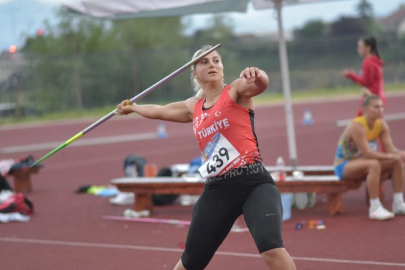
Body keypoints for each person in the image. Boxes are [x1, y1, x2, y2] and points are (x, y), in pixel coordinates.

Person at [116, 45, 296, 270]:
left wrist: (257, 74)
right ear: (194, 73)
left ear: (222, 68)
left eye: (216, 60)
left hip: (254, 182)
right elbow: (159, 110)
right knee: (191, 262)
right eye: (204, 62)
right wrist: (133, 108)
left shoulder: (235, 91)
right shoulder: (193, 107)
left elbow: (261, 84)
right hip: (217, 190)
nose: (212, 64)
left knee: (271, 248)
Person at [333, 94, 405, 220]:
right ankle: (375, 208)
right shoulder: (357, 125)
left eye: (382, 107)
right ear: (365, 108)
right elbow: (367, 153)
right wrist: (392, 156)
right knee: (374, 164)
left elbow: (391, 150)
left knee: (397, 162)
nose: (380, 110)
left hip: (363, 163)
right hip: (345, 165)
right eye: (376, 107)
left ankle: (398, 203)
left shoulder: (381, 125)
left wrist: (400, 155)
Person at [341, 36, 386, 117]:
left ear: (368, 48)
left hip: (371, 100)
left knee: (357, 126)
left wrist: (350, 75)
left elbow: (366, 82)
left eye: (360, 46)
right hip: (377, 99)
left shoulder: (368, 62)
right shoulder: (374, 61)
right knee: (375, 127)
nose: (358, 49)